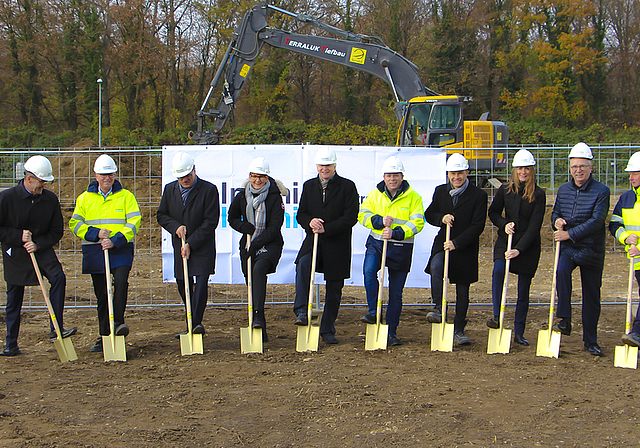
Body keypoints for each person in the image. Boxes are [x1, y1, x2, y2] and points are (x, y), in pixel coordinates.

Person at [0, 156, 76, 356]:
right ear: (29, 178)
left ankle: (56, 328)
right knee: (14, 296)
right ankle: (11, 343)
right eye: (41, 182)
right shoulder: (6, 198)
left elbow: (56, 230)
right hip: (15, 252)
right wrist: (17, 236)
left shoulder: (49, 199)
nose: (43, 185)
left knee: (58, 277)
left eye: (45, 182)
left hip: (41, 249)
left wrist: (38, 244)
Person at [70, 154, 141, 353]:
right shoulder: (84, 198)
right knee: (102, 293)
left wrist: (116, 240)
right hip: (95, 250)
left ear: (114, 175)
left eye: (110, 174)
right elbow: (75, 224)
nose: (107, 178)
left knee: (120, 282)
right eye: (103, 174)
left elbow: (134, 222)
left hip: (120, 249)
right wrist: (96, 234)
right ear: (96, 175)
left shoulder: (126, 196)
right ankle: (104, 335)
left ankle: (118, 323)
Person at [292, 148, 359, 345]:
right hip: (313, 241)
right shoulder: (309, 186)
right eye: (321, 165)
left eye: (328, 165)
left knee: (334, 286)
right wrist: (310, 222)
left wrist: (327, 229)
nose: (324, 169)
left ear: (335, 165)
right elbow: (301, 214)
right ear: (317, 166)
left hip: (337, 243)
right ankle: (302, 310)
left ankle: (328, 328)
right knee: (303, 264)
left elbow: (350, 217)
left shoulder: (347, 187)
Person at [359, 155, 424, 346]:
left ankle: (391, 332)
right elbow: (362, 215)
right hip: (377, 243)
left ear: (402, 176)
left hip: (401, 247)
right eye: (389, 175)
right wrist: (379, 222)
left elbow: (418, 223)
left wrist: (396, 232)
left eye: (396, 175)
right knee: (369, 272)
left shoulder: (414, 197)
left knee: (395, 292)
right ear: (384, 177)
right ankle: (373, 312)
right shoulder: (374, 195)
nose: (392, 179)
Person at [552, 142, 609, 356]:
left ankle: (590, 340)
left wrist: (570, 234)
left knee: (591, 295)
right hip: (568, 248)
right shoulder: (564, 190)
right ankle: (565, 320)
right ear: (570, 168)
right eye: (574, 166)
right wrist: (556, 221)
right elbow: (555, 212)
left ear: (590, 167)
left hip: (591, 250)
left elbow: (597, 221)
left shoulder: (602, 191)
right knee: (561, 271)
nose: (578, 170)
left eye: (582, 166)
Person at [425, 153, 487, 346]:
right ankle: (437, 307)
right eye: (453, 173)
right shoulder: (440, 191)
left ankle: (459, 330)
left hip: (464, 248)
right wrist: (441, 218)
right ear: (448, 174)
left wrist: (457, 243)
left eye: (460, 173)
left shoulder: (479, 195)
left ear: (467, 172)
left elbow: (478, 226)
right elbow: (429, 214)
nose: (456, 177)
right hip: (443, 243)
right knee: (436, 267)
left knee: (462, 290)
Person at [157, 152, 220, 338]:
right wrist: (176, 227)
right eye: (181, 177)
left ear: (194, 170)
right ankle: (192, 319)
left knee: (200, 284)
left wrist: (192, 242)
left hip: (202, 247)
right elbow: (162, 215)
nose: (185, 180)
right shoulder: (170, 190)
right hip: (180, 246)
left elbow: (211, 221)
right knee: (182, 282)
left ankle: (195, 323)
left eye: (188, 176)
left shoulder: (209, 190)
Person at [486, 149, 546, 346]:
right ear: (514, 170)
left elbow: (535, 226)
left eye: (527, 168)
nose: (524, 172)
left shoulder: (538, 194)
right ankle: (497, 316)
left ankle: (519, 332)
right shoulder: (505, 190)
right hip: (506, 240)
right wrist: (504, 223)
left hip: (527, 246)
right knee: (498, 271)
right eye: (520, 168)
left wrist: (519, 249)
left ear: (532, 170)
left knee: (523, 290)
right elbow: (493, 212)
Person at [228, 157, 287, 342]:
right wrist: (242, 227)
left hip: (270, 243)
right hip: (247, 243)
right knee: (251, 279)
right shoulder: (242, 195)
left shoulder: (274, 196)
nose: (257, 180)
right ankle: (258, 324)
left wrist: (256, 244)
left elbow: (275, 226)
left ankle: (259, 315)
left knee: (259, 269)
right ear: (250, 176)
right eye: (254, 176)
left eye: (261, 176)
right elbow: (232, 217)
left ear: (267, 177)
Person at [609, 151, 640, 348]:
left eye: (635, 173)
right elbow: (614, 225)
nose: (630, 177)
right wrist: (626, 237)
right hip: (636, 260)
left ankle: (636, 333)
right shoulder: (626, 198)